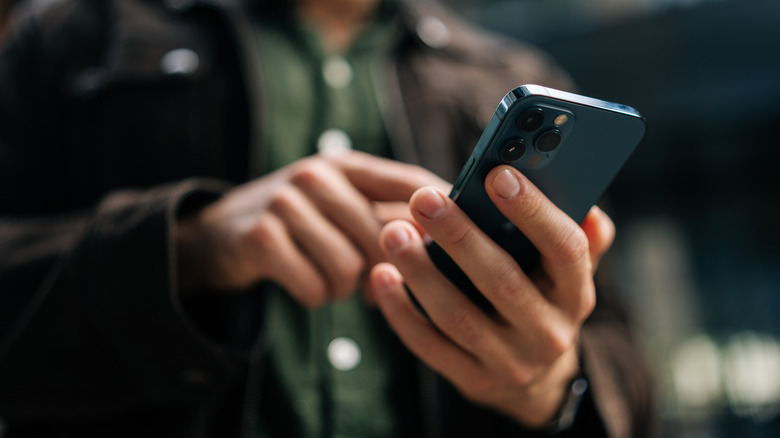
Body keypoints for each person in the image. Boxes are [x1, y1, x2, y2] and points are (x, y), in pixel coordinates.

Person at [0, 0, 654, 436]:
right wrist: (193, 246)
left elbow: (630, 371)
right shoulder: (73, 39)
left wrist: (548, 388)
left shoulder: (506, 75)